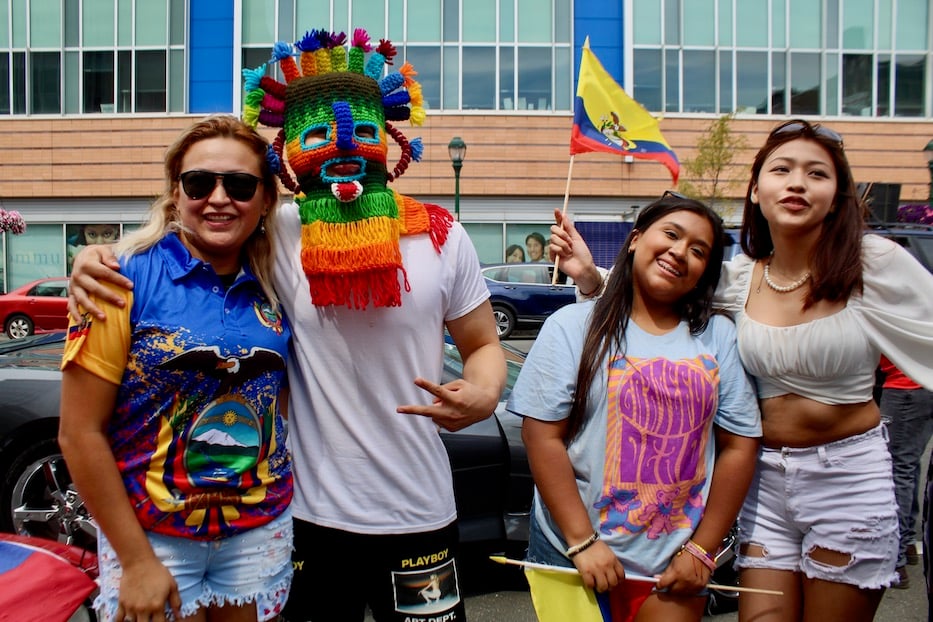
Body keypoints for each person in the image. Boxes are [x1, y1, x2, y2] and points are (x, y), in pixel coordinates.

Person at [67, 29, 506, 622]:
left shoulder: (440, 235)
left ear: (389, 136)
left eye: (364, 131)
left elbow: (483, 345)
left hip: (419, 508)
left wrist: (484, 393)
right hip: (304, 515)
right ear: (289, 150)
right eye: (319, 135)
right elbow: (193, 233)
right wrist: (95, 258)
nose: (343, 146)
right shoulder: (276, 232)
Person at [550, 119, 933, 622]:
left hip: (847, 479)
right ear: (756, 190)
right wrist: (588, 275)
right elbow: (661, 293)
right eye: (782, 169)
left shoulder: (871, 262)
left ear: (836, 197)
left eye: (817, 174)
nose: (797, 183)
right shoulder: (740, 278)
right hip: (765, 482)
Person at [58, 115, 294, 622]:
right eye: (199, 182)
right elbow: (79, 433)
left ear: (265, 200)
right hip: (150, 534)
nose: (218, 198)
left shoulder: (279, 279)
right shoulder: (119, 277)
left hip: (259, 529)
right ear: (174, 193)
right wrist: (135, 560)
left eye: (240, 185)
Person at [509, 194, 761, 621]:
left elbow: (740, 445)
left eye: (699, 250)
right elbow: (541, 436)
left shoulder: (719, 335)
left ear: (705, 272)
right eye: (671, 234)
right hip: (571, 555)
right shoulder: (571, 326)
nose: (680, 251)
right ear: (636, 239)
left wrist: (702, 549)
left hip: (674, 565)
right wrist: (583, 542)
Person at [879, 356, 933, 589]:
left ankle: (896, 559)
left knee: (898, 468)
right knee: (908, 464)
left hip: (905, 387)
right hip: (920, 383)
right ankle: (907, 541)